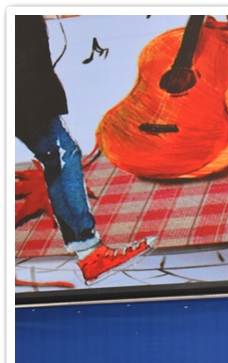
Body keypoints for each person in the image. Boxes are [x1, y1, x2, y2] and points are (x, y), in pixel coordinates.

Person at [15, 15, 156, 285]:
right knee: (61, 154)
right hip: (21, 86)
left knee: (60, 154)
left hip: (24, 83)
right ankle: (90, 252)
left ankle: (90, 252)